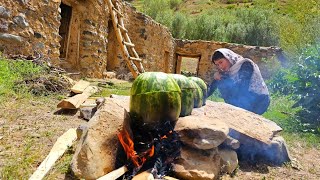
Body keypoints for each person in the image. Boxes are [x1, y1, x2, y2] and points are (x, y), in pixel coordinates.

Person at [207, 48, 270, 115]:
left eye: (221, 62)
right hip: (242, 101)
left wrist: (224, 78)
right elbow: (211, 88)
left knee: (223, 81)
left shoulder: (246, 65)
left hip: (259, 100)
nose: (220, 66)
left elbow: (242, 89)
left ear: (228, 58)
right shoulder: (227, 70)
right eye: (217, 65)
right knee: (220, 81)